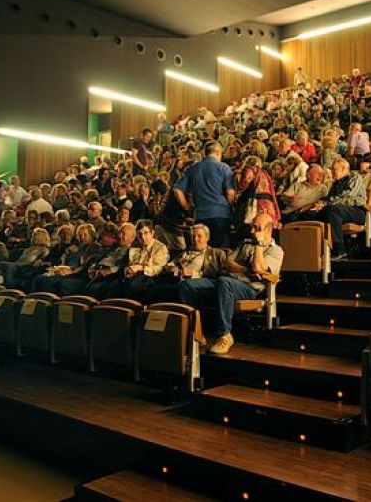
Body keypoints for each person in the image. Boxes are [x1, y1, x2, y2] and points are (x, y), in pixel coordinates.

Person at [178, 212, 283, 355]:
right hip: (225, 281)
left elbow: (259, 268)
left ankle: (225, 335)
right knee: (186, 286)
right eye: (252, 227)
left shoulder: (276, 251)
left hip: (249, 289)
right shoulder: (245, 243)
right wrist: (247, 270)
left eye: (256, 228)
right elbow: (227, 263)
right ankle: (197, 331)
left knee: (224, 282)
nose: (251, 231)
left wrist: (259, 244)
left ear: (268, 230)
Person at [299, 158, 366, 260]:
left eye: (334, 169)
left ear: (344, 169)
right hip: (337, 211)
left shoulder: (355, 177)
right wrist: (316, 205)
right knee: (309, 214)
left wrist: (325, 203)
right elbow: (329, 198)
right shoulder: (336, 183)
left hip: (356, 211)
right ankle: (311, 252)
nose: (331, 172)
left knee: (332, 209)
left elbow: (346, 196)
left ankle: (340, 250)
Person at [174, 141, 236, 248]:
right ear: (217, 152)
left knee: (204, 251)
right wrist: (230, 206)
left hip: (201, 216)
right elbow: (230, 192)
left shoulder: (192, 169)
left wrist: (187, 207)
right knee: (222, 251)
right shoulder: (223, 167)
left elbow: (177, 190)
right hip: (220, 214)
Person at [119, 220, 169, 304]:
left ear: (152, 233)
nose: (142, 237)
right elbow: (128, 263)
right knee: (115, 284)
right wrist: (128, 269)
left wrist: (141, 268)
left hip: (150, 277)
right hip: (132, 275)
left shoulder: (160, 248)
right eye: (139, 234)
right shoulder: (135, 246)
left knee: (133, 285)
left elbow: (158, 269)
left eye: (146, 233)